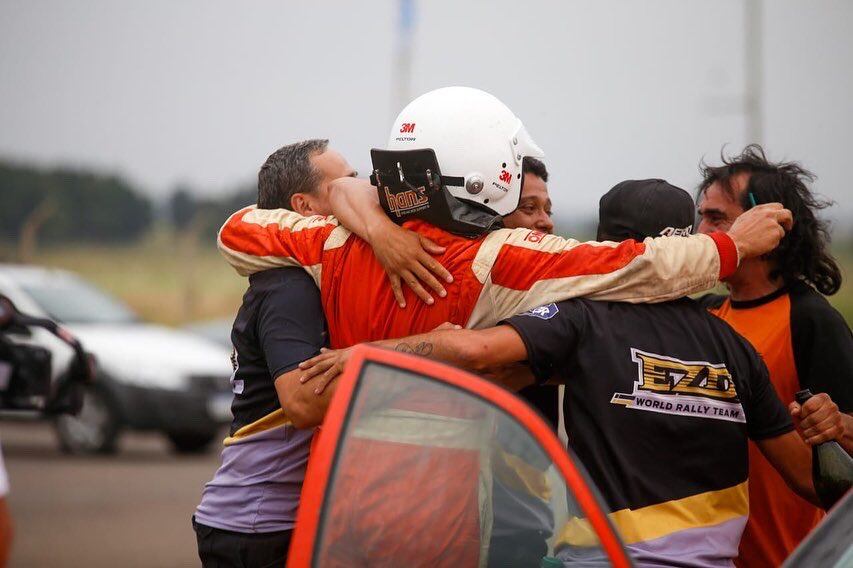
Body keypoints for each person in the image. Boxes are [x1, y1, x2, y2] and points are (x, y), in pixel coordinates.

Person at [300, 179, 828, 567]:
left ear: (608, 245)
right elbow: (811, 479)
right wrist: (834, 431)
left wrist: (369, 353)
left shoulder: (585, 318)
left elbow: (476, 351)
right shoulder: (734, 345)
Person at [217, 87, 793, 430]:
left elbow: (236, 228)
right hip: (444, 503)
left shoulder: (329, 242)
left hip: (339, 495)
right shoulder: (499, 258)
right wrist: (731, 245)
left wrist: (375, 227)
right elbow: (630, 264)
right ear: (485, 169)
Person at [193, 140, 360, 567]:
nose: (359, 194)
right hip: (257, 526)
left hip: (269, 520)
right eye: (345, 186)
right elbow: (302, 402)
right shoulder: (290, 286)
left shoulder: (305, 278)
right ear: (304, 206)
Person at [695, 145, 853, 568]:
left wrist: (836, 423)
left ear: (769, 228)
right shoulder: (706, 315)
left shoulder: (810, 320)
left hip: (792, 557)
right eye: (700, 216)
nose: (700, 232)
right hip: (711, 559)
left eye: (716, 219)